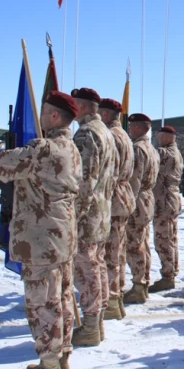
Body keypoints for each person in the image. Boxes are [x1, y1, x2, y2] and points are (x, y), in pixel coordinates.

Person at [0, 91, 81, 369]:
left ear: (54, 116)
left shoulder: (44, 149)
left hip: (41, 239)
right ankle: (62, 357)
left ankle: (49, 365)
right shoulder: (72, 148)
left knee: (43, 303)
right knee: (63, 298)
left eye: (44, 111)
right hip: (61, 237)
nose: (40, 116)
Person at [70, 88, 117, 347]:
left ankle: (90, 326)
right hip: (100, 213)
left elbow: (84, 182)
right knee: (96, 267)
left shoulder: (88, 134)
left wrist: (74, 216)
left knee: (87, 271)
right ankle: (96, 324)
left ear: (86, 107)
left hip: (88, 216)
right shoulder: (105, 132)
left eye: (75, 104)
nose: (71, 108)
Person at [98, 99, 135, 321]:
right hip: (122, 198)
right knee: (118, 252)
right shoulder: (125, 136)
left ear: (104, 113)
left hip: (112, 199)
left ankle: (112, 301)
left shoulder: (111, 136)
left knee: (110, 254)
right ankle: (117, 298)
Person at [122, 113, 160, 304]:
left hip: (137, 200)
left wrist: (127, 204)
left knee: (134, 245)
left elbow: (134, 180)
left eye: (132, 126)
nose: (129, 130)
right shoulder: (151, 148)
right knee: (143, 243)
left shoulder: (137, 149)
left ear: (138, 128)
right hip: (147, 198)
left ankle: (138, 286)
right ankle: (143, 283)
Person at [150, 125, 184, 292]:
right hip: (170, 199)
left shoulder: (166, 153)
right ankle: (171, 271)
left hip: (164, 201)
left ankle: (168, 275)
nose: (157, 138)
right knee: (171, 238)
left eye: (160, 135)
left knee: (163, 239)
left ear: (168, 137)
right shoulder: (174, 152)